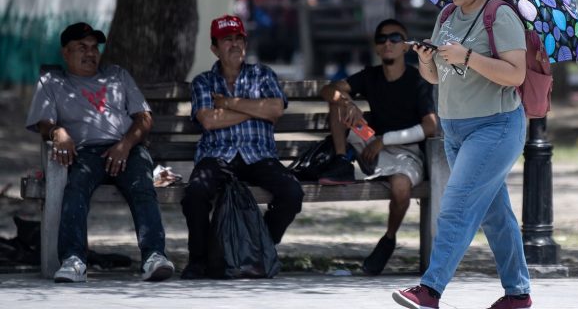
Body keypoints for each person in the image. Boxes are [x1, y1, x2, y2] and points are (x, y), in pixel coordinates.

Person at [393, 0, 532, 309]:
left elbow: (515, 74)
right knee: (495, 213)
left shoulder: (500, 15)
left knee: (455, 205)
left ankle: (430, 290)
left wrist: (468, 56)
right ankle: (518, 294)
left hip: (496, 127)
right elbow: (438, 77)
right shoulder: (446, 16)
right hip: (454, 130)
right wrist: (426, 61)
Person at [25, 22, 174, 283]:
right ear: (65, 53)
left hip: (125, 148)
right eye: (81, 47)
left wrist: (125, 145)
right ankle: (74, 260)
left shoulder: (117, 75)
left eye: (94, 47)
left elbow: (144, 118)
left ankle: (154, 257)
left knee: (142, 186)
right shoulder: (53, 81)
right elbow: (44, 124)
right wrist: (58, 132)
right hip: (84, 153)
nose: (90, 53)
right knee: (76, 186)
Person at [180, 15, 303, 279]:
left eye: (239, 38)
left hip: (258, 155)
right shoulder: (203, 82)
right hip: (217, 155)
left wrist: (228, 103)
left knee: (292, 192)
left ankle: (260, 247)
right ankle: (199, 260)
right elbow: (210, 121)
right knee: (195, 194)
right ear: (214, 48)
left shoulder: (263, 74)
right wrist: (256, 110)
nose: (234, 44)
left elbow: (276, 108)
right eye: (227, 40)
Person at [319, 19, 437, 275]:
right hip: (370, 142)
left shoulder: (417, 80)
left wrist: (387, 139)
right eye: (382, 39)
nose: (388, 43)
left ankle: (389, 239)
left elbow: (430, 126)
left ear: (405, 47)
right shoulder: (370, 75)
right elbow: (328, 89)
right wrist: (345, 100)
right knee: (339, 104)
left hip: (405, 151)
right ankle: (341, 161)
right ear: (376, 47)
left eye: (396, 38)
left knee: (401, 187)